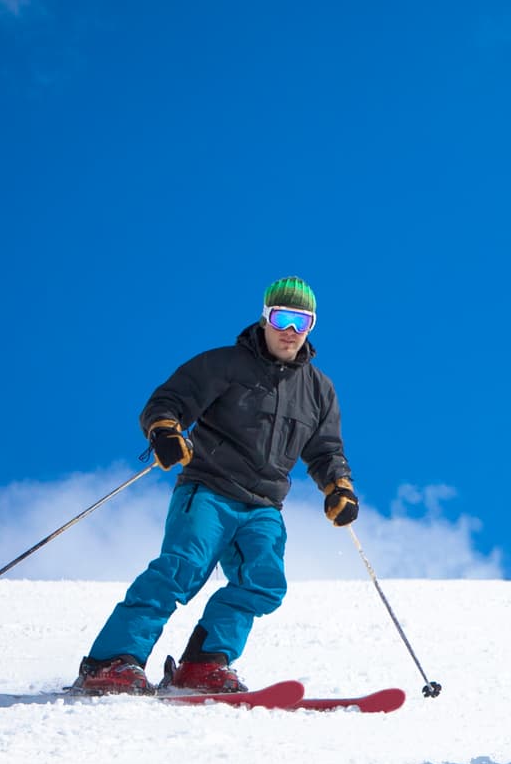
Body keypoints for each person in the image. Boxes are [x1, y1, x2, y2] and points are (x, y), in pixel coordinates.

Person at [75, 276, 358, 693]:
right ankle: (111, 660)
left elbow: (326, 449)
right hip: (209, 489)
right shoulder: (225, 365)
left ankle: (203, 664)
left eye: (302, 321)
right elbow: (169, 400)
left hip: (263, 506)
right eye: (282, 318)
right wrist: (166, 430)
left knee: (262, 582)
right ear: (264, 318)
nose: (291, 331)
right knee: (180, 570)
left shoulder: (319, 390)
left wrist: (339, 486)